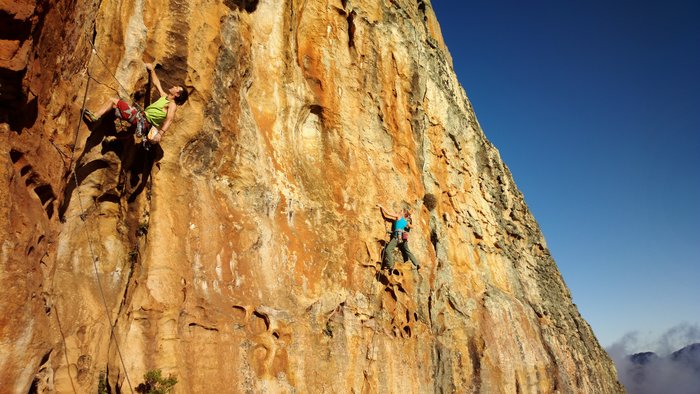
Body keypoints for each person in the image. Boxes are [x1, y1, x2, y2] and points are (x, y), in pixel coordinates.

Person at [83, 62, 188, 144]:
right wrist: (151, 70)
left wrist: (160, 134)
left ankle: (95, 117)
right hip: (143, 122)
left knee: (113, 100)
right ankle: (113, 139)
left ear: (177, 94)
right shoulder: (165, 98)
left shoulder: (172, 105)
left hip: (141, 119)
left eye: (176, 88)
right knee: (122, 118)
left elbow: (169, 119)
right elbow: (157, 84)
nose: (174, 86)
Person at [377, 204, 420, 271]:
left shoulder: (399, 216)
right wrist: (412, 218)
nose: (400, 211)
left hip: (397, 237)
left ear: (404, 213)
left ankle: (390, 265)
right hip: (403, 238)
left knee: (388, 250)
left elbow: (387, 213)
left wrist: (381, 206)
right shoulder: (406, 222)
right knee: (407, 251)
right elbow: (412, 226)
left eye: (402, 211)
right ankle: (417, 264)